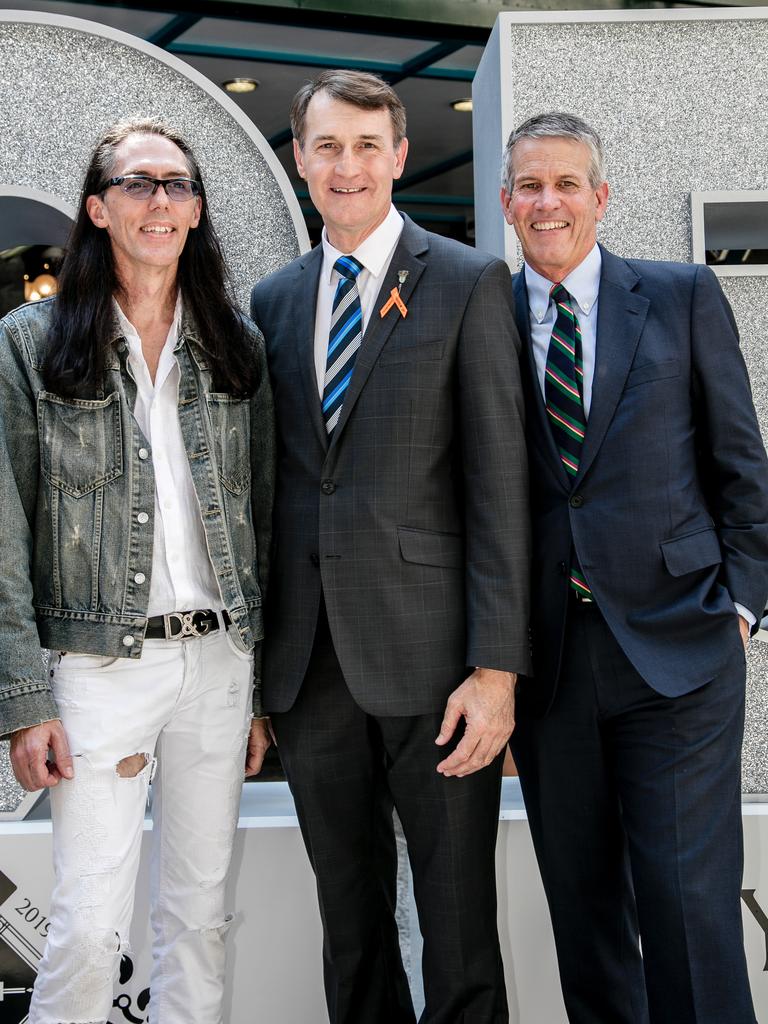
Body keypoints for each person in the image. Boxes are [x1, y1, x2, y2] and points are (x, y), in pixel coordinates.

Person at [250, 70, 530, 1024]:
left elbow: (501, 488)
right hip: (309, 666)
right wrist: (257, 679)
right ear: (300, 159)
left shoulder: (466, 281)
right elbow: (270, 492)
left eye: (368, 146)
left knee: (458, 930)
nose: (348, 165)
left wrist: (498, 670)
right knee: (353, 929)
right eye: (327, 146)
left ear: (401, 157)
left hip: (438, 668)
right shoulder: (273, 300)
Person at [0, 117, 274, 1024]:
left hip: (221, 663)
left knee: (200, 916)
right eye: (138, 184)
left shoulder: (235, 342)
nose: (161, 201)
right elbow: (3, 530)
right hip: (99, 669)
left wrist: (263, 684)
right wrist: (23, 698)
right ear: (97, 207)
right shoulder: (29, 343)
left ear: (196, 211)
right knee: (86, 922)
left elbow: (263, 513)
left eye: (178, 185)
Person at [500, 111, 768, 1024]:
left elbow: (742, 465)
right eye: (530, 185)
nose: (549, 202)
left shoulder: (682, 293)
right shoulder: (478, 316)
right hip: (550, 662)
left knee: (690, 909)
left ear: (601, 198)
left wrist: (741, 606)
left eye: (567, 184)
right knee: (586, 917)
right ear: (505, 202)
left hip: (682, 650)